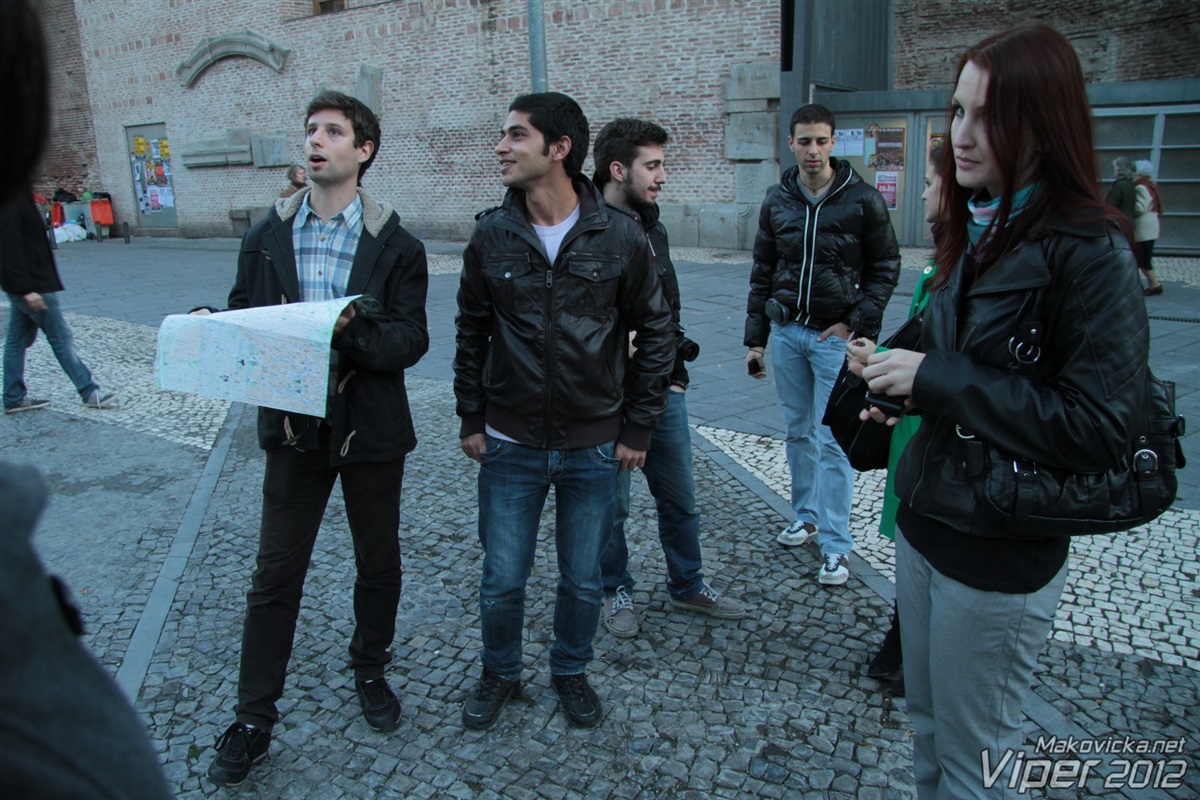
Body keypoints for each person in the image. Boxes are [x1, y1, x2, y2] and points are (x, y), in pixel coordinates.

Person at [859, 23, 1148, 798]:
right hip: (926, 523)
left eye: (987, 116)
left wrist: (938, 381)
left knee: (975, 762)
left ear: (1042, 124)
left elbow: (1101, 429)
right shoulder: (976, 223)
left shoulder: (1091, 252)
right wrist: (895, 384)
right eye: (957, 110)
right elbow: (961, 364)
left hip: (999, 553)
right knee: (927, 733)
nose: (961, 134)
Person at [205, 90, 429, 786]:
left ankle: (370, 668)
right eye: (310, 129)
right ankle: (253, 718)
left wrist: (349, 330)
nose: (316, 140)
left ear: (363, 151)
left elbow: (410, 340)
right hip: (293, 428)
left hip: (371, 428)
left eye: (333, 131)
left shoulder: (397, 244)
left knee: (378, 562)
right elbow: (246, 314)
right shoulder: (265, 236)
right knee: (275, 574)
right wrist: (217, 327)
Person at [454, 93, 673, 730]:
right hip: (509, 442)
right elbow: (471, 330)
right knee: (502, 577)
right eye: (503, 134)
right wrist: (471, 415)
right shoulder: (491, 233)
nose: (501, 147)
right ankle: (500, 672)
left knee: (582, 579)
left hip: (594, 445)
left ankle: (571, 671)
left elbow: (657, 331)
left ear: (559, 149)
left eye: (516, 135)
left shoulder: (621, 234)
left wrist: (637, 426)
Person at [591, 118, 746, 638]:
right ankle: (614, 588)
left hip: (663, 388)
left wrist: (674, 376)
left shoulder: (652, 226)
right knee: (611, 508)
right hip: (606, 396)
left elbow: (666, 310)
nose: (662, 176)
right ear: (618, 169)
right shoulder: (585, 227)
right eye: (652, 166)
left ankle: (688, 582)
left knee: (680, 500)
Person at [744, 103, 900, 585]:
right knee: (798, 432)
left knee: (832, 439)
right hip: (788, 333)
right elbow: (763, 272)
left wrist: (856, 323)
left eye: (821, 141)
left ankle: (836, 545)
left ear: (833, 143)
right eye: (804, 141)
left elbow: (885, 266)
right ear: (791, 143)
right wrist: (756, 342)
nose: (813, 150)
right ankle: (806, 516)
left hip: (834, 339)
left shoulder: (863, 199)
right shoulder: (777, 200)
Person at [846, 142, 948, 695]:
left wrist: (885, 361)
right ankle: (904, 642)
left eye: (931, 183)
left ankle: (908, 651)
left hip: (932, 433)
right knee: (912, 541)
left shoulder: (961, 270)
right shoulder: (943, 262)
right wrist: (882, 360)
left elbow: (944, 360)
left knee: (924, 542)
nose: (924, 194)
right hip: (914, 426)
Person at [2, 193, 117, 413]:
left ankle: (13, 396)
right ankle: (88, 391)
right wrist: (27, 290)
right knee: (60, 337)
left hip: (27, 284)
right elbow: (9, 248)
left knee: (17, 340)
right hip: (33, 285)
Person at [1133, 159, 1164, 295]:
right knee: (1143, 257)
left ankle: (1155, 285)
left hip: (1144, 228)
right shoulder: (1151, 184)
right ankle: (1154, 284)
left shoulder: (1140, 187)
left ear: (1139, 174)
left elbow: (1140, 208)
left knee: (1143, 258)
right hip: (1150, 227)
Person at [1105, 156, 1137, 226]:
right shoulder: (1131, 184)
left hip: (1119, 224)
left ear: (1119, 169)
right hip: (1129, 223)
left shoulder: (1118, 185)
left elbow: (1111, 206)